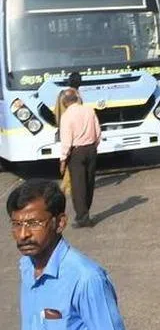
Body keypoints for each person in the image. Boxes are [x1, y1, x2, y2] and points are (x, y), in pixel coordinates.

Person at [9, 179, 129, 330]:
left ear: (60, 223)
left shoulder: (86, 279)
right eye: (16, 224)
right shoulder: (27, 267)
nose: (23, 234)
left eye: (34, 223)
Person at [58, 89, 101, 229]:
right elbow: (98, 131)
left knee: (78, 186)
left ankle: (83, 217)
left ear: (64, 102)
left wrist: (63, 160)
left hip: (76, 152)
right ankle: (85, 212)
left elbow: (66, 141)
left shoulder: (66, 116)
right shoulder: (89, 111)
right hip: (91, 149)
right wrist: (94, 145)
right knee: (89, 182)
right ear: (76, 99)